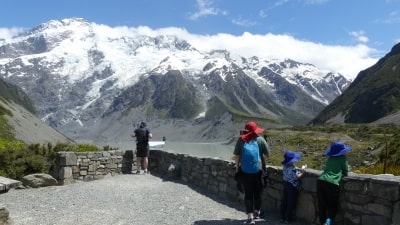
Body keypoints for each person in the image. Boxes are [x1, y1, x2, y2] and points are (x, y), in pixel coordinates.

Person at [233, 121, 270, 224]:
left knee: (248, 195)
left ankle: (250, 217)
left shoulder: (241, 140)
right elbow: (268, 155)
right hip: (259, 172)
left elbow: (237, 156)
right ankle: (257, 213)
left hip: (245, 172)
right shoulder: (260, 139)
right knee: (258, 193)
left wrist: (237, 170)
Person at [317, 141, 351, 225]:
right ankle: (328, 223)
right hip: (332, 183)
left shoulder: (330, 158)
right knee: (332, 207)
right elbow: (346, 172)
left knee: (322, 206)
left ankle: (322, 222)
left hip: (321, 180)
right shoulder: (343, 158)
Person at [280, 151, 306, 224]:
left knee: (284, 201)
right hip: (292, 187)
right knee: (290, 202)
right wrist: (303, 172)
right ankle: (288, 218)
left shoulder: (285, 166)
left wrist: (298, 169)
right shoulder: (293, 168)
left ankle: (282, 217)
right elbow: (296, 177)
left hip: (285, 184)